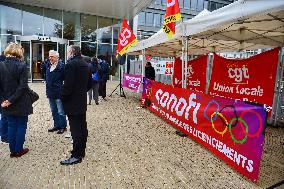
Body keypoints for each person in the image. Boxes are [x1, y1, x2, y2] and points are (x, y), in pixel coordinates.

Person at [60, 45, 92, 165]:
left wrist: (62, 97)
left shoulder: (71, 64)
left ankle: (76, 155)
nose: (67, 54)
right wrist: (81, 92)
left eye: (68, 51)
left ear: (72, 52)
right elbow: (89, 83)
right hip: (81, 101)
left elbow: (67, 86)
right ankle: (81, 152)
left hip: (72, 102)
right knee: (82, 128)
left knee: (76, 130)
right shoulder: (85, 64)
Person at [0, 43, 33, 158]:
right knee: (21, 125)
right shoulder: (22, 65)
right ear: (19, 52)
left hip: (6, 103)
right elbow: (23, 87)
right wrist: (10, 100)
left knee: (11, 125)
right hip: (20, 102)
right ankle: (18, 150)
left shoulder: (1, 65)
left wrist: (4, 101)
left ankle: (12, 151)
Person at [46, 50, 67, 134]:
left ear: (57, 57)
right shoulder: (48, 65)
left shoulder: (62, 66)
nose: (50, 58)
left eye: (52, 56)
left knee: (60, 111)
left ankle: (63, 127)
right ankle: (56, 125)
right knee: (53, 110)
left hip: (58, 92)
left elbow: (65, 79)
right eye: (49, 56)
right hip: (50, 92)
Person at [0, 53, 8, 144]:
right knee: (4, 116)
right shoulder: (3, 61)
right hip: (4, 95)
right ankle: (4, 136)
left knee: (4, 116)